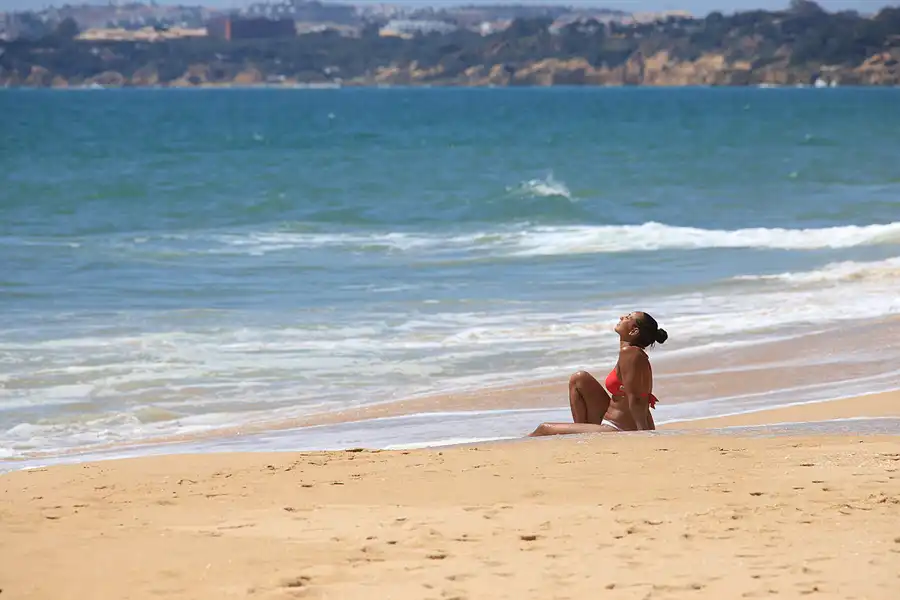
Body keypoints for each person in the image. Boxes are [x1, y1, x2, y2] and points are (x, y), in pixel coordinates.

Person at [529, 311, 667, 436]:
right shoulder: (633, 354)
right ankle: (580, 434)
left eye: (628, 317)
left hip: (620, 428)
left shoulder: (630, 353)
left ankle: (520, 444)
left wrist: (644, 434)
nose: (622, 317)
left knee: (544, 429)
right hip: (614, 421)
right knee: (579, 379)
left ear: (634, 331)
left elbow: (637, 398)